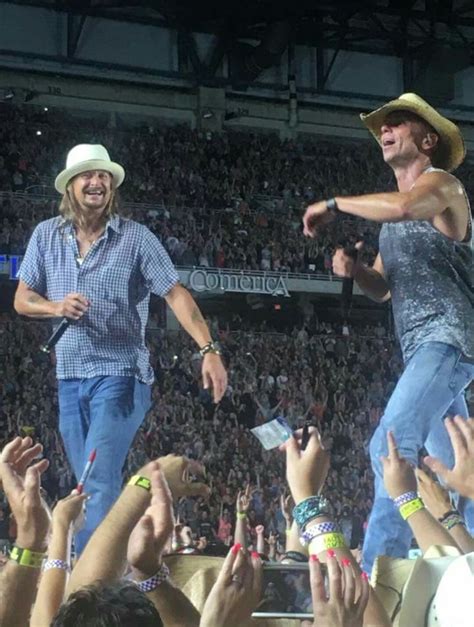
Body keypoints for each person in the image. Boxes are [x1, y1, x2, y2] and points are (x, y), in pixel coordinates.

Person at [14, 144, 228, 553]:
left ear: (111, 186)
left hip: (120, 375)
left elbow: (176, 294)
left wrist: (209, 348)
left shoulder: (136, 238)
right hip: (69, 377)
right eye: (87, 176)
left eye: (103, 177)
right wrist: (55, 306)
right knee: (90, 484)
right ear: (71, 186)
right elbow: (22, 298)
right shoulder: (46, 235)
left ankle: (89, 582)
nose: (96, 182)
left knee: (94, 477)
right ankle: (118, 562)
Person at [302, 93, 474, 575]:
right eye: (382, 126)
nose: (385, 130)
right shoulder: (391, 220)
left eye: (397, 123)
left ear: (428, 139)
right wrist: (356, 269)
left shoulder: (442, 185)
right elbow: (383, 289)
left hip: (449, 338)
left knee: (389, 447)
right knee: (454, 464)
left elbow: (403, 208)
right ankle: (468, 557)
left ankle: (382, 567)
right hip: (425, 347)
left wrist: (336, 203)